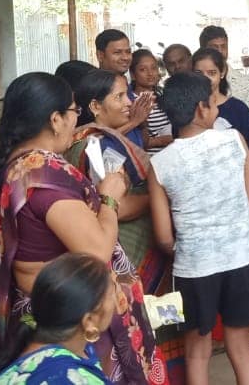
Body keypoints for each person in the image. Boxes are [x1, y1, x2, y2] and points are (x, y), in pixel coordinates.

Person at [0, 72, 165, 384]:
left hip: (39, 307)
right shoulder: (43, 180)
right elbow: (97, 250)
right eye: (73, 112)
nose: (76, 121)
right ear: (55, 119)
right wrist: (109, 196)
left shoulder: (11, 167)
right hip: (66, 319)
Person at [148, 72, 249, 385]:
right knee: (241, 347)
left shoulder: (160, 164)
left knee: (196, 352)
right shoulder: (234, 140)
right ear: (202, 108)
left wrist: (185, 248)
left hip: (194, 268)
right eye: (214, 102)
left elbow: (163, 236)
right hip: (242, 260)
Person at [66, 68, 185, 383]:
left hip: (136, 253)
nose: (129, 102)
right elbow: (111, 208)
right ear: (94, 106)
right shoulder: (95, 147)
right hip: (128, 255)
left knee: (157, 325)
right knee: (142, 333)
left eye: (127, 94)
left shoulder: (106, 140)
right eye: (119, 97)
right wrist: (158, 198)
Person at [0, 253, 121, 385]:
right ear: (89, 320)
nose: (116, 297)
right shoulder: (65, 377)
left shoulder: (40, 341)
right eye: (111, 292)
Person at [192, 47, 249, 165]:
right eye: (198, 73)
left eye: (211, 73)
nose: (205, 79)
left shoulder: (239, 109)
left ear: (222, 73)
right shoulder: (187, 109)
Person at [200, 25, 249, 129]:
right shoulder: (193, 82)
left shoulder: (244, 82)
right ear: (203, 49)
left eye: (223, 46)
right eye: (214, 47)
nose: (220, 51)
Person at [130, 49, 173, 155]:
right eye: (143, 69)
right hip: (149, 162)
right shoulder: (130, 102)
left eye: (153, 68)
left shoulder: (163, 96)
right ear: (133, 74)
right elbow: (137, 142)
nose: (150, 73)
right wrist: (163, 140)